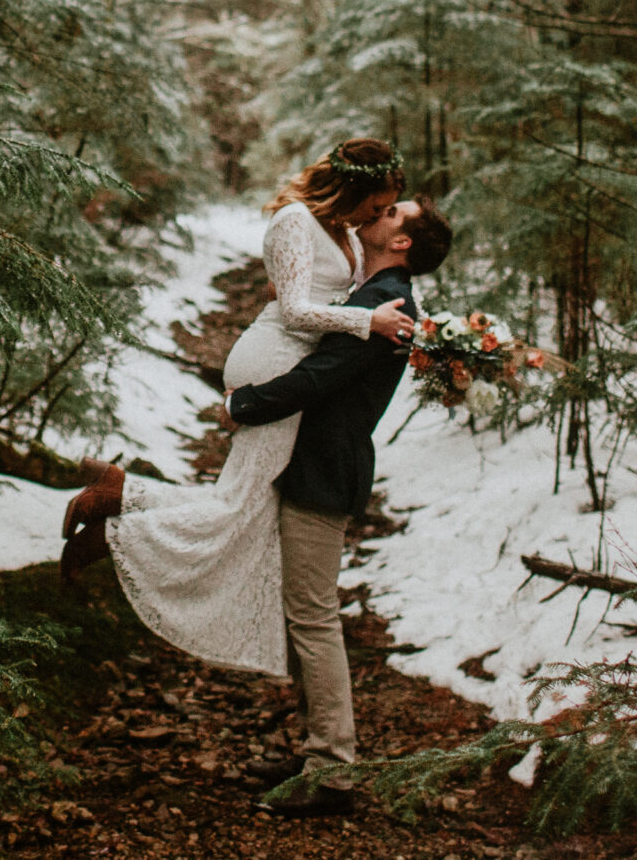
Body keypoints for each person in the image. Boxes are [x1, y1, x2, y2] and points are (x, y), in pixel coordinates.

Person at [58, 138, 415, 648]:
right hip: (272, 360)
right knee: (239, 505)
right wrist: (368, 320)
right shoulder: (295, 219)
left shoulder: (346, 233)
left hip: (297, 363)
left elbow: (333, 294)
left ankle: (121, 493)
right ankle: (111, 537)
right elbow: (293, 310)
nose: (378, 215)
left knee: (246, 502)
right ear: (352, 189)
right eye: (376, 204)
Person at [218, 197, 450, 817]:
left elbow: (320, 376)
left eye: (392, 212)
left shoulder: (386, 302)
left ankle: (331, 773)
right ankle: (317, 750)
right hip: (314, 461)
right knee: (305, 616)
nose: (376, 211)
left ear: (401, 242)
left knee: (315, 619)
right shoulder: (370, 288)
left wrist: (245, 405)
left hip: (326, 467)